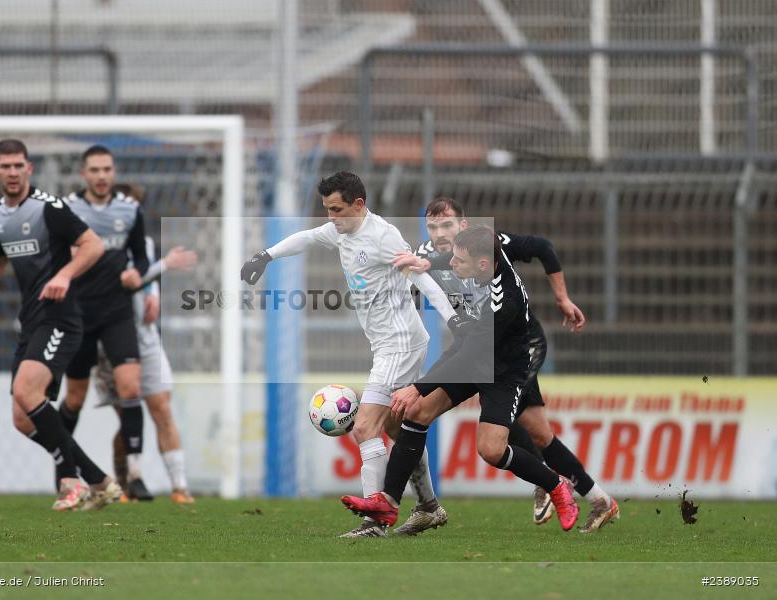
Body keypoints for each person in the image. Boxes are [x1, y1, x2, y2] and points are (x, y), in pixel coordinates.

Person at [241, 171, 469, 537]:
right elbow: (307, 238)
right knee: (398, 428)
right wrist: (264, 256)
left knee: (364, 427)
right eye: (327, 210)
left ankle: (374, 521)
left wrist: (453, 319)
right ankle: (429, 507)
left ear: (358, 205)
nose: (331, 218)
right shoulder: (340, 230)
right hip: (386, 343)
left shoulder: (382, 236)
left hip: (400, 343)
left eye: (337, 209)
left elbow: (420, 275)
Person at [341, 225, 581, 532]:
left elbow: (471, 354)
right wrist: (429, 263)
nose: (452, 265)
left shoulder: (503, 300)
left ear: (482, 265)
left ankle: (557, 485)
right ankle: (388, 502)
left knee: (491, 450)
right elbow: (469, 346)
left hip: (502, 372)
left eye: (458, 261)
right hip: (475, 353)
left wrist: (417, 387)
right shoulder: (490, 258)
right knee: (415, 413)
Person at [404, 199, 619, 533]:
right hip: (484, 346)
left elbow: (543, 248)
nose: (439, 233)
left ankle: (546, 483)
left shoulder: (492, 244)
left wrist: (562, 298)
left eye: (447, 225)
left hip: (518, 346)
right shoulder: (433, 255)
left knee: (509, 419)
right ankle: (598, 499)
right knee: (539, 431)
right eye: (433, 227)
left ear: (464, 226)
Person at [0, 138, 121, 511]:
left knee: (28, 391)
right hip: (32, 320)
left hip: (60, 317)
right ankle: (100, 481)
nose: (12, 172)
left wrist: (65, 275)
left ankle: (70, 482)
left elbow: (93, 246)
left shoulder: (49, 209)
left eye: (18, 165)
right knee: (23, 420)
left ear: (29, 169)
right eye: (5, 166)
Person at [93, 182, 199, 504]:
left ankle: (179, 487)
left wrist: (153, 296)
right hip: (110, 340)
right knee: (128, 415)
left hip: (147, 338)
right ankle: (125, 487)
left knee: (161, 409)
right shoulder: (96, 244)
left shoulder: (146, 243)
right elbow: (126, 280)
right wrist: (165, 265)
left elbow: (143, 276)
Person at [58, 146, 152, 501]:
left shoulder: (130, 210)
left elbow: (141, 259)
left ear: (114, 172)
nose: (101, 176)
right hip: (78, 313)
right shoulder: (68, 209)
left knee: (130, 388)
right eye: (94, 170)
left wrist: (136, 275)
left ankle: (136, 475)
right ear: (84, 173)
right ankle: (64, 472)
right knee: (75, 397)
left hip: (117, 312)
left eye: (107, 169)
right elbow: (55, 256)